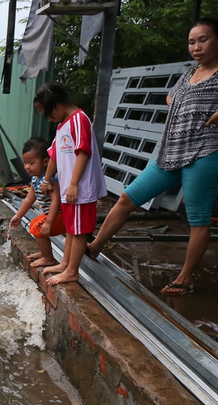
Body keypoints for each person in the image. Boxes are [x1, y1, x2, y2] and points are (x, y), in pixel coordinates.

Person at [87, 18, 218, 296]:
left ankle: (185, 277)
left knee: (198, 218)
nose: (196, 46)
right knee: (127, 198)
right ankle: (95, 246)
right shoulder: (190, 73)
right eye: (192, 41)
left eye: (203, 39)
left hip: (204, 154)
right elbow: (173, 98)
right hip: (170, 151)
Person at [34, 82, 107, 286]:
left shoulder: (79, 120)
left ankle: (72, 271)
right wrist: (47, 180)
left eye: (47, 112)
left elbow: (83, 151)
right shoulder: (62, 125)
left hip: (80, 188)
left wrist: (74, 183)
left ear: (56, 105)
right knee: (71, 228)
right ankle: (65, 263)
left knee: (79, 230)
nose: (48, 118)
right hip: (69, 188)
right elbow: (54, 154)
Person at [9, 137, 65, 268]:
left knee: (38, 228)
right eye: (25, 162)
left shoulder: (50, 180)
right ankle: (45, 252)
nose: (27, 166)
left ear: (45, 162)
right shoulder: (35, 179)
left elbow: (56, 201)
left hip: (61, 216)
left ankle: (49, 258)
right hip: (51, 215)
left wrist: (49, 222)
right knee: (33, 224)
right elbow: (29, 199)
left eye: (32, 163)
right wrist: (18, 216)